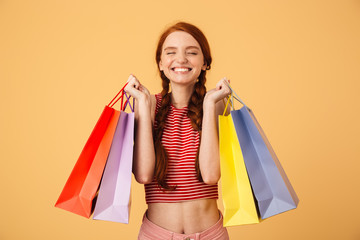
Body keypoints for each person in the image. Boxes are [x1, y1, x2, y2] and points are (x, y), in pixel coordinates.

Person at [125, 21, 231, 240]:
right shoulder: (148, 105)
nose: (181, 59)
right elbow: (143, 174)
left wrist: (209, 105)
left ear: (205, 63)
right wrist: (143, 106)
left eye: (191, 52)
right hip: (156, 235)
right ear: (161, 63)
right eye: (171, 52)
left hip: (210, 234)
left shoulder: (218, 104)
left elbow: (211, 175)